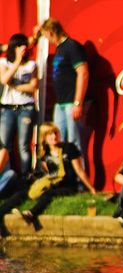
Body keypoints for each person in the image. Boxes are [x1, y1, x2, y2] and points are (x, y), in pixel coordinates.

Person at [0, 122, 95, 233]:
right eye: (50, 134)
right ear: (44, 137)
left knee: (48, 193)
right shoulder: (45, 154)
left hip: (67, 185)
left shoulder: (69, 148)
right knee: (22, 193)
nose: (54, 136)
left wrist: (91, 188)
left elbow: (79, 170)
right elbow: (47, 174)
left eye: (55, 133)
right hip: (51, 183)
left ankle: (32, 213)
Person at [39, 18, 90, 166]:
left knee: (74, 142)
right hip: (60, 104)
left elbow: (83, 73)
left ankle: (81, 182)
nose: (47, 40)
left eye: (46, 36)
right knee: (58, 143)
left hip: (71, 103)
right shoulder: (60, 48)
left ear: (50, 32)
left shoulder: (72, 47)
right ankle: (62, 179)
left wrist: (78, 102)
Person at [0, 33, 38, 180]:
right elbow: (4, 79)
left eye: (24, 46)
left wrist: (14, 86)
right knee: (5, 145)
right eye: (20, 46)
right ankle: (7, 176)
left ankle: (25, 177)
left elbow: (33, 87)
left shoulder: (31, 65)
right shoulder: (4, 62)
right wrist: (17, 61)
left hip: (25, 108)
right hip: (7, 108)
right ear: (14, 47)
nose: (23, 49)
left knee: (23, 145)